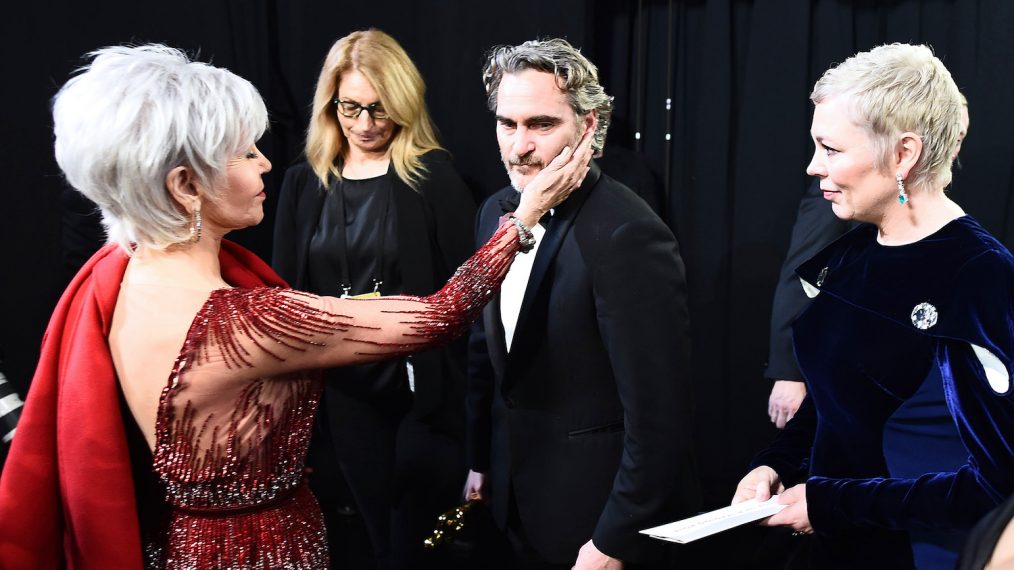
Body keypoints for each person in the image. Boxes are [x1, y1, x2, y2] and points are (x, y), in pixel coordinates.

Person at [0, 44, 591, 569]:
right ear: (185, 186)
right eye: (243, 152)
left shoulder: (118, 276)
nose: (263, 164)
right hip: (260, 551)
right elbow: (441, 315)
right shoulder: (238, 321)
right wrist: (525, 215)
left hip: (181, 544)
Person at [733, 43, 1014, 569]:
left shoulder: (981, 278)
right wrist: (773, 463)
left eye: (831, 149)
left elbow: (996, 482)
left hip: (918, 554)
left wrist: (835, 503)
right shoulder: (847, 255)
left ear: (903, 154)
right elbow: (836, 404)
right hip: (832, 545)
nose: (814, 166)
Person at [463, 38, 699, 569]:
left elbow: (659, 416)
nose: (519, 147)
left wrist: (613, 539)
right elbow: (487, 353)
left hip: (594, 524)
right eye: (507, 124)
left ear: (588, 127)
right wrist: (480, 460)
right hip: (513, 505)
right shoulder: (495, 213)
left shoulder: (628, 232)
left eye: (541, 125)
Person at [271, 29, 476, 569]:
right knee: (366, 543)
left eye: (379, 110)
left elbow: (468, 299)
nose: (364, 125)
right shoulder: (302, 184)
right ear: (329, 106)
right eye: (350, 108)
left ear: (403, 105)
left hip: (420, 396)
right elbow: (286, 299)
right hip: (340, 395)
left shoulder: (434, 178)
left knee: (414, 549)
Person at [765, 98, 970, 429]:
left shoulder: (946, 218)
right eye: (949, 136)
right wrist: (788, 373)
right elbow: (800, 275)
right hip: (835, 370)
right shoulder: (841, 191)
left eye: (959, 138)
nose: (953, 149)